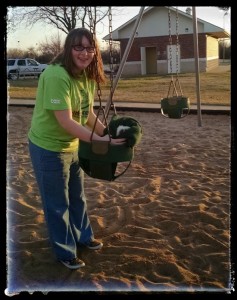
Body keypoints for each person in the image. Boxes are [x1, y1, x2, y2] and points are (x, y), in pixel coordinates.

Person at [28, 28, 125, 270]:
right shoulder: (56, 76)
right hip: (48, 147)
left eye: (90, 48)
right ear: (68, 48)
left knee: (77, 196)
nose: (85, 53)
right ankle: (64, 251)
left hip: (72, 145)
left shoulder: (87, 76)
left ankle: (83, 237)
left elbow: (88, 114)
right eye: (78, 47)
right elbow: (66, 122)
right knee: (57, 202)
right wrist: (101, 142)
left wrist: (108, 134)